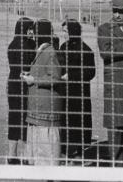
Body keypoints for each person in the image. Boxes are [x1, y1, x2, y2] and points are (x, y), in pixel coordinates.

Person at [97, 0, 123, 166]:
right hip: (115, 85)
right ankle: (117, 164)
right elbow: (105, 52)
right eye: (115, 11)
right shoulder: (104, 29)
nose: (117, 15)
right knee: (116, 125)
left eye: (121, 12)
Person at [22, 19, 63, 166]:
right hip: (38, 109)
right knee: (38, 152)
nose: (33, 37)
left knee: (46, 153)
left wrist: (34, 79)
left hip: (46, 109)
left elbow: (55, 77)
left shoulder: (50, 52)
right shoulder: (42, 50)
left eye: (35, 33)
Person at [59, 18, 96, 161]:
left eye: (66, 32)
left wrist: (72, 76)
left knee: (80, 123)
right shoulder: (63, 47)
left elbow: (90, 72)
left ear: (73, 32)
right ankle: (64, 151)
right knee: (65, 123)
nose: (64, 35)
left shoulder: (85, 49)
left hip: (79, 93)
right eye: (63, 32)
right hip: (64, 93)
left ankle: (80, 152)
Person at [6, 17, 36, 164]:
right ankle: (24, 155)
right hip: (24, 85)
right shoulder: (28, 45)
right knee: (25, 119)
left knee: (14, 118)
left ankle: (12, 154)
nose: (32, 32)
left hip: (13, 84)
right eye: (29, 29)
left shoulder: (13, 44)